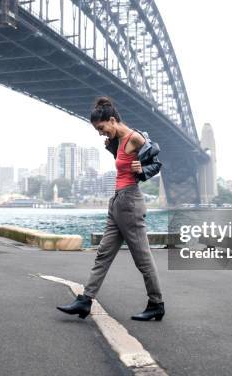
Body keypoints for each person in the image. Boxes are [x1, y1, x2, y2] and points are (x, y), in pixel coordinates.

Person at [56, 96, 165, 321]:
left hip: (130, 202)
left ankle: (156, 304)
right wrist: (112, 148)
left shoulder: (135, 137)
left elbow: (156, 161)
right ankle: (85, 301)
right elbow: (123, 162)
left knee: (142, 258)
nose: (100, 133)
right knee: (103, 254)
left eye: (102, 128)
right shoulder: (119, 140)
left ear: (113, 120)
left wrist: (142, 169)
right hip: (117, 202)